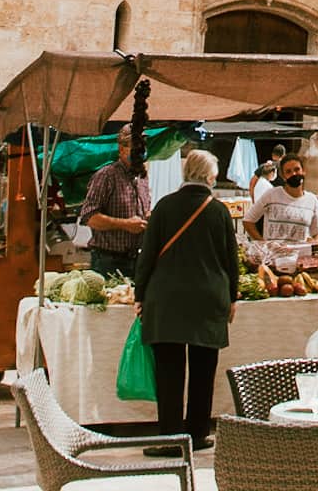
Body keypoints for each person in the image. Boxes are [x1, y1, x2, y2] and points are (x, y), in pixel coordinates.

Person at [134, 148, 237, 455]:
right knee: (204, 370)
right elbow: (230, 260)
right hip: (208, 299)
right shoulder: (219, 211)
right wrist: (232, 297)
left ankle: (170, 438)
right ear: (208, 176)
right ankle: (198, 433)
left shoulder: (164, 208)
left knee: (169, 372)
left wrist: (140, 295)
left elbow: (147, 256)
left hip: (167, 299)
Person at [79, 128, 153, 279]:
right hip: (108, 262)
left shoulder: (142, 177)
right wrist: (125, 224)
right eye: (135, 145)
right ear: (121, 149)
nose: (141, 149)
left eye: (143, 145)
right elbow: (89, 217)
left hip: (136, 260)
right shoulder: (106, 176)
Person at [243, 154, 318, 247]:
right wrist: (263, 244)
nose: (294, 174)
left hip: (301, 258)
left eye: (297, 169)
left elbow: (316, 234)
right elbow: (248, 221)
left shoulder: (312, 200)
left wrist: (315, 243)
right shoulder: (271, 195)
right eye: (288, 171)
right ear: (283, 176)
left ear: (303, 171)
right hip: (274, 258)